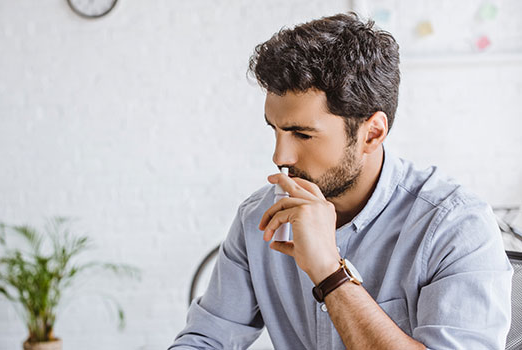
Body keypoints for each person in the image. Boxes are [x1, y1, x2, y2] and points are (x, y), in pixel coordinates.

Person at [169, 13, 512, 349]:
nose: (280, 156)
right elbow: (205, 339)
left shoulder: (456, 225)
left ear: (372, 133)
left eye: (301, 134)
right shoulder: (258, 217)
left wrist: (331, 274)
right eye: (274, 129)